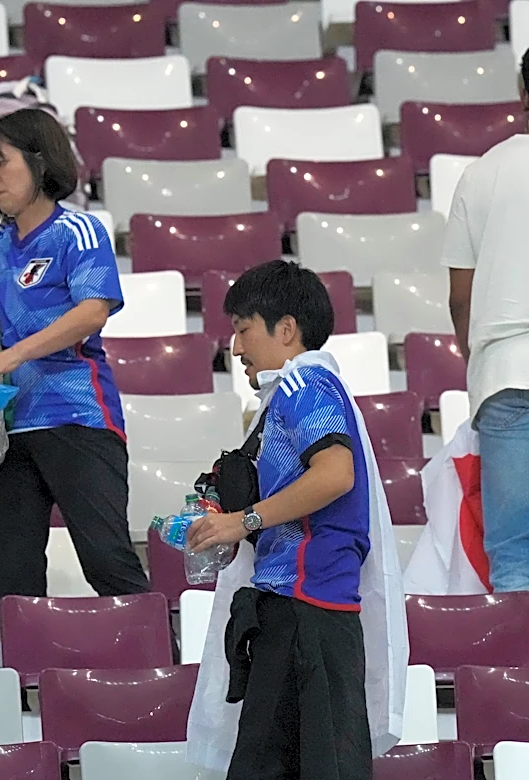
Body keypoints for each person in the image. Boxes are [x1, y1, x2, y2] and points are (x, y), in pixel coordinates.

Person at [0, 109, 149, 599]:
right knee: (12, 582)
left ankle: (158, 665)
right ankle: (28, 675)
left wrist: (12, 357)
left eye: (2, 162)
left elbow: (93, 312)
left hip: (76, 418)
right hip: (4, 432)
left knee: (107, 562)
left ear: (40, 161)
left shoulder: (78, 231)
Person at [188, 260, 380, 780]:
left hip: (308, 611)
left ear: (287, 329)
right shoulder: (287, 398)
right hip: (295, 610)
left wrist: (243, 520)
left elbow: (335, 474)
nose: (235, 348)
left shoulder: (305, 384)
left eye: (243, 329)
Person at [441, 47, 529, 592]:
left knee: (515, 556)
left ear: (523, 92)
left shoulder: (482, 173)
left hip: (503, 373)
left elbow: (460, 298)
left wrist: (480, 362)